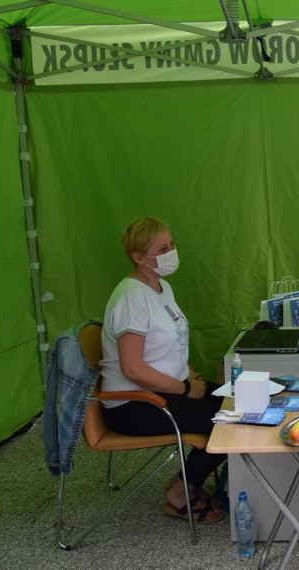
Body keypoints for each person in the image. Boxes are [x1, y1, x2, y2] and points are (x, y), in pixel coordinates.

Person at [99, 216, 226, 525]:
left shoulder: (160, 286)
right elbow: (133, 368)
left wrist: (187, 374)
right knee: (226, 425)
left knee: (237, 405)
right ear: (139, 258)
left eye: (172, 243)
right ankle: (180, 491)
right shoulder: (131, 297)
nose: (172, 251)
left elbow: (168, 342)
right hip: (135, 404)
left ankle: (200, 478)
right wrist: (184, 389)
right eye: (163, 247)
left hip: (166, 387)